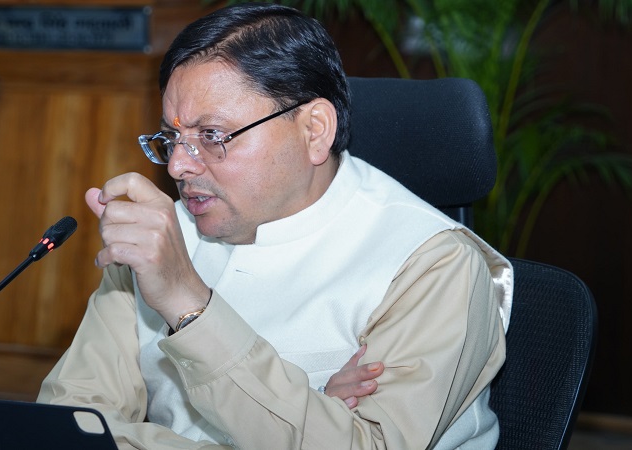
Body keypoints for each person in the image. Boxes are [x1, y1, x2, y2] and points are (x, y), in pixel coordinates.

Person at [37, 3, 513, 449]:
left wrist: (187, 303)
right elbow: (66, 426)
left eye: (212, 135)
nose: (178, 165)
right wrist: (308, 413)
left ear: (314, 130)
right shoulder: (161, 237)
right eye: (172, 136)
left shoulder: (432, 265)